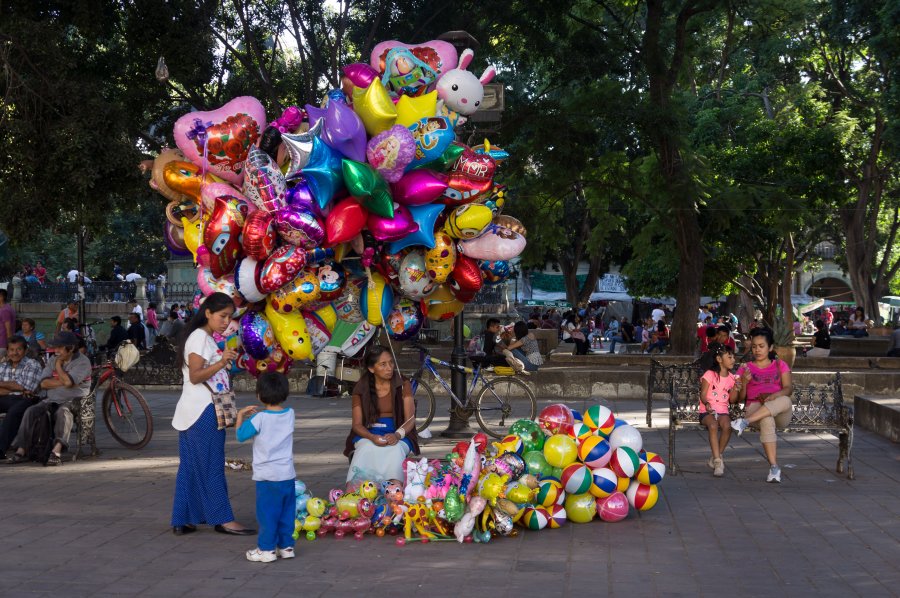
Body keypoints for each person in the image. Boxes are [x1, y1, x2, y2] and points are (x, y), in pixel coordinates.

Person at [170, 292, 253, 536]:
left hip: (192, 410)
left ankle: (182, 518)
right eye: (222, 316)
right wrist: (221, 361)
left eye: (229, 317)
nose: (226, 321)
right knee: (211, 465)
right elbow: (196, 375)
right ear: (208, 313)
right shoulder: (200, 338)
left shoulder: (201, 337)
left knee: (191, 467)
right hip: (203, 410)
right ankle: (223, 519)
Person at [236, 372, 297, 563]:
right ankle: (286, 547)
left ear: (259, 395)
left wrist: (240, 415)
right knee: (286, 514)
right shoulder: (290, 414)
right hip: (287, 475)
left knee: (267, 515)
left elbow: (240, 435)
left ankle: (266, 549)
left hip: (267, 477)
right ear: (285, 393)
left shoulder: (258, 419)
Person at [7, 332, 92, 466]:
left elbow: (69, 383)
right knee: (31, 411)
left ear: (70, 348)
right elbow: (43, 383)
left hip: (74, 401)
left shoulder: (82, 362)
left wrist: (58, 366)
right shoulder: (53, 359)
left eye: (59, 348)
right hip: (51, 399)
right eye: (55, 347)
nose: (55, 351)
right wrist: (63, 381)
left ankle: (56, 452)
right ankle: (21, 450)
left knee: (63, 412)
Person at [343, 346, 418, 484]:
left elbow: (410, 420)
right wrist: (371, 437)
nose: (389, 368)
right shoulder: (361, 387)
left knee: (395, 449)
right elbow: (357, 425)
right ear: (372, 369)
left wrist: (396, 435)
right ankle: (355, 491)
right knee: (366, 447)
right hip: (369, 431)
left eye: (391, 363)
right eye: (383, 364)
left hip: (399, 431)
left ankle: (395, 490)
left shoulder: (402, 383)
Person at [731, 328, 794, 483]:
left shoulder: (780, 365)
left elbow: (788, 388)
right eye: (754, 346)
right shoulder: (744, 368)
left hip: (779, 411)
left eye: (761, 346)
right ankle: (774, 468)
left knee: (786, 400)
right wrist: (744, 382)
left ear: (770, 347)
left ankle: (744, 422)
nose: (757, 350)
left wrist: (773, 396)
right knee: (767, 419)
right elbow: (738, 399)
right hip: (754, 407)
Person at [698, 343, 742, 477]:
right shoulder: (710, 374)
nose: (733, 360)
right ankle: (718, 461)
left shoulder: (732, 378)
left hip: (723, 410)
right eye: (729, 357)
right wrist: (706, 404)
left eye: (733, 357)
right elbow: (703, 394)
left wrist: (736, 388)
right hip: (707, 410)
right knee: (713, 425)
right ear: (719, 359)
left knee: (727, 426)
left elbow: (733, 400)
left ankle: (716, 456)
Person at [0, 336, 43, 461]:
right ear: (7, 351)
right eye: (11, 350)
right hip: (6, 398)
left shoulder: (32, 364)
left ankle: (1, 449)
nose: (14, 353)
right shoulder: (3, 366)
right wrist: (14, 387)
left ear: (24, 351)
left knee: (14, 412)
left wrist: (4, 384)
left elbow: (27, 388)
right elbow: (18, 386)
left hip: (28, 399)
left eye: (18, 349)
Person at [0, 289, 16, 358]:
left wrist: (10, 344)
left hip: (2, 343)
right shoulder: (8, 308)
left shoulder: (4, 310)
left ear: (1, 297)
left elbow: (8, 329)